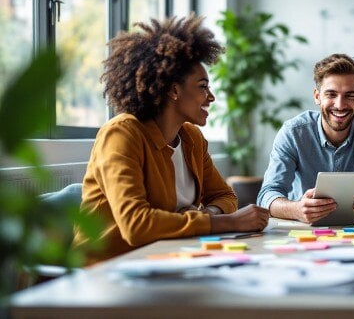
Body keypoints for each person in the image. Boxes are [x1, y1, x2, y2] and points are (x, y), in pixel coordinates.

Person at [72, 15, 269, 264]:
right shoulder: (121, 134)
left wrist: (209, 213)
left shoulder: (191, 138)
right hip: (107, 270)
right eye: (202, 87)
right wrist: (223, 221)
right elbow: (136, 225)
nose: (211, 97)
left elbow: (225, 196)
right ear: (174, 90)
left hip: (164, 259)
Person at [257, 53, 354, 224]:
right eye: (331, 94)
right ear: (317, 96)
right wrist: (297, 209)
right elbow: (267, 194)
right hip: (305, 232)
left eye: (349, 95)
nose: (340, 105)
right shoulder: (293, 132)